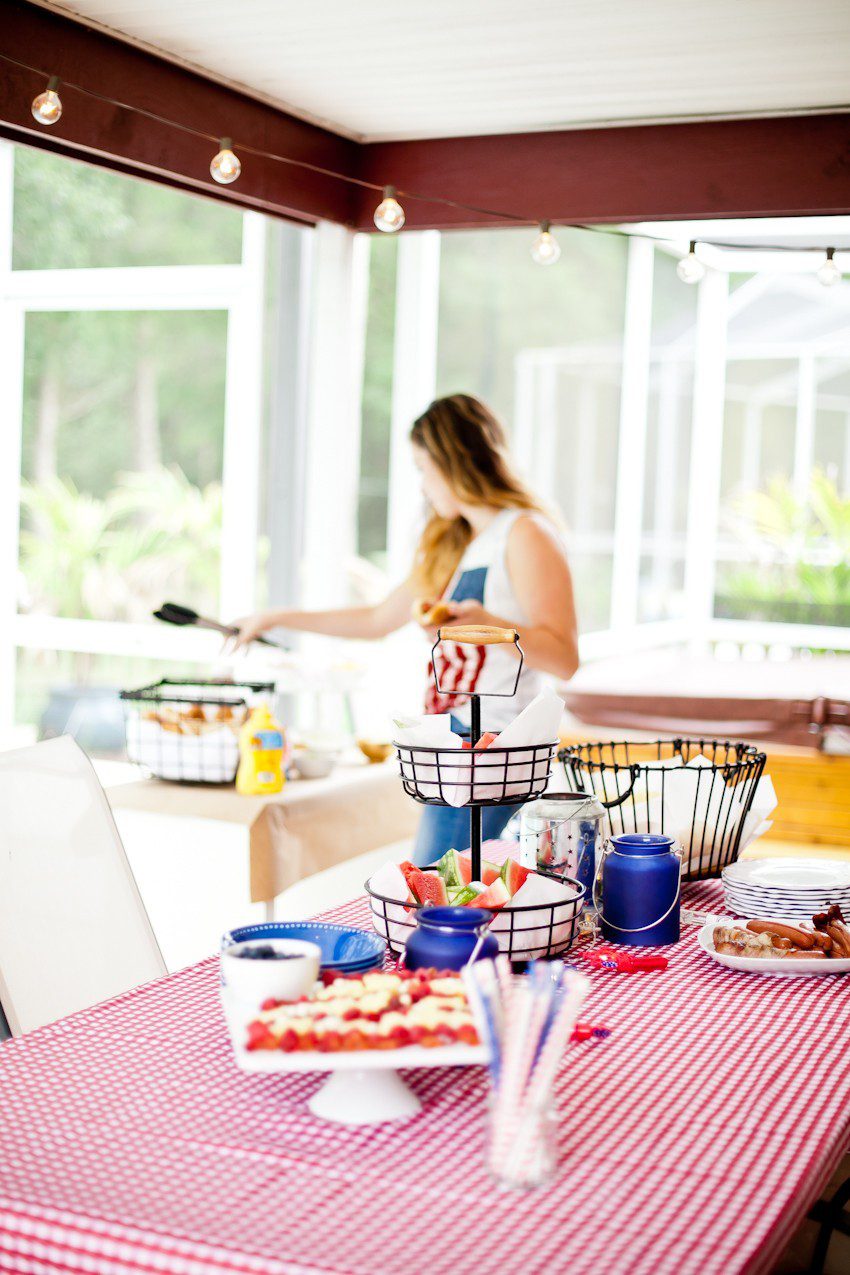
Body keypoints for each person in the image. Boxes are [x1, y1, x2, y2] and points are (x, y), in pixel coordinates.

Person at [230, 393, 578, 864]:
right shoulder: (458, 545)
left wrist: (486, 623)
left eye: (422, 467)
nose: (421, 485)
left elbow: (564, 658)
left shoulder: (524, 534)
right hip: (454, 743)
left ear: (452, 462)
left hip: (495, 749)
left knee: (441, 898)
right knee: (450, 892)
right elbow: (376, 619)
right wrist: (274, 617)